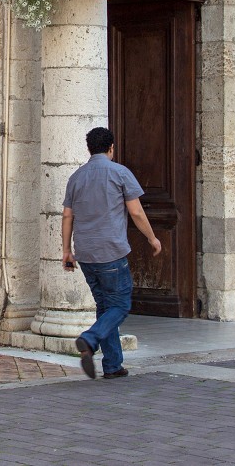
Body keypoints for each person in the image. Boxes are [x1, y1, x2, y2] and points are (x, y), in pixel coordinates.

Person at [62, 125, 161, 380]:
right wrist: (152, 238)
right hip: (111, 253)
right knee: (120, 305)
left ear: (89, 148)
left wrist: (66, 251)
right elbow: (137, 212)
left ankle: (113, 365)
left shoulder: (76, 177)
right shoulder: (120, 173)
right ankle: (90, 338)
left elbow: (67, 215)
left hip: (85, 254)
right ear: (111, 148)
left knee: (105, 306)